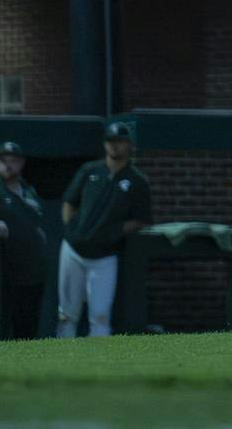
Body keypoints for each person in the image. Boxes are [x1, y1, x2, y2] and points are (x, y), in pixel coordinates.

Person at [56, 120, 152, 338]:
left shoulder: (137, 181)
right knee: (66, 313)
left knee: (100, 315)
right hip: (73, 250)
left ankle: (99, 366)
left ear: (129, 145)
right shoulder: (90, 170)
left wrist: (114, 230)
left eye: (119, 142)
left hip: (105, 256)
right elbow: (69, 202)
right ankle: (60, 363)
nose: (114, 146)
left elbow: (142, 220)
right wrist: (72, 228)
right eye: (110, 141)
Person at [0, 140, 49, 340]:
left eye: (12, 160)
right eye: (3, 160)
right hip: (3, 272)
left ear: (21, 163)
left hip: (33, 271)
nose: (8, 165)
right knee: (2, 328)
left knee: (29, 327)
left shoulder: (28, 190)